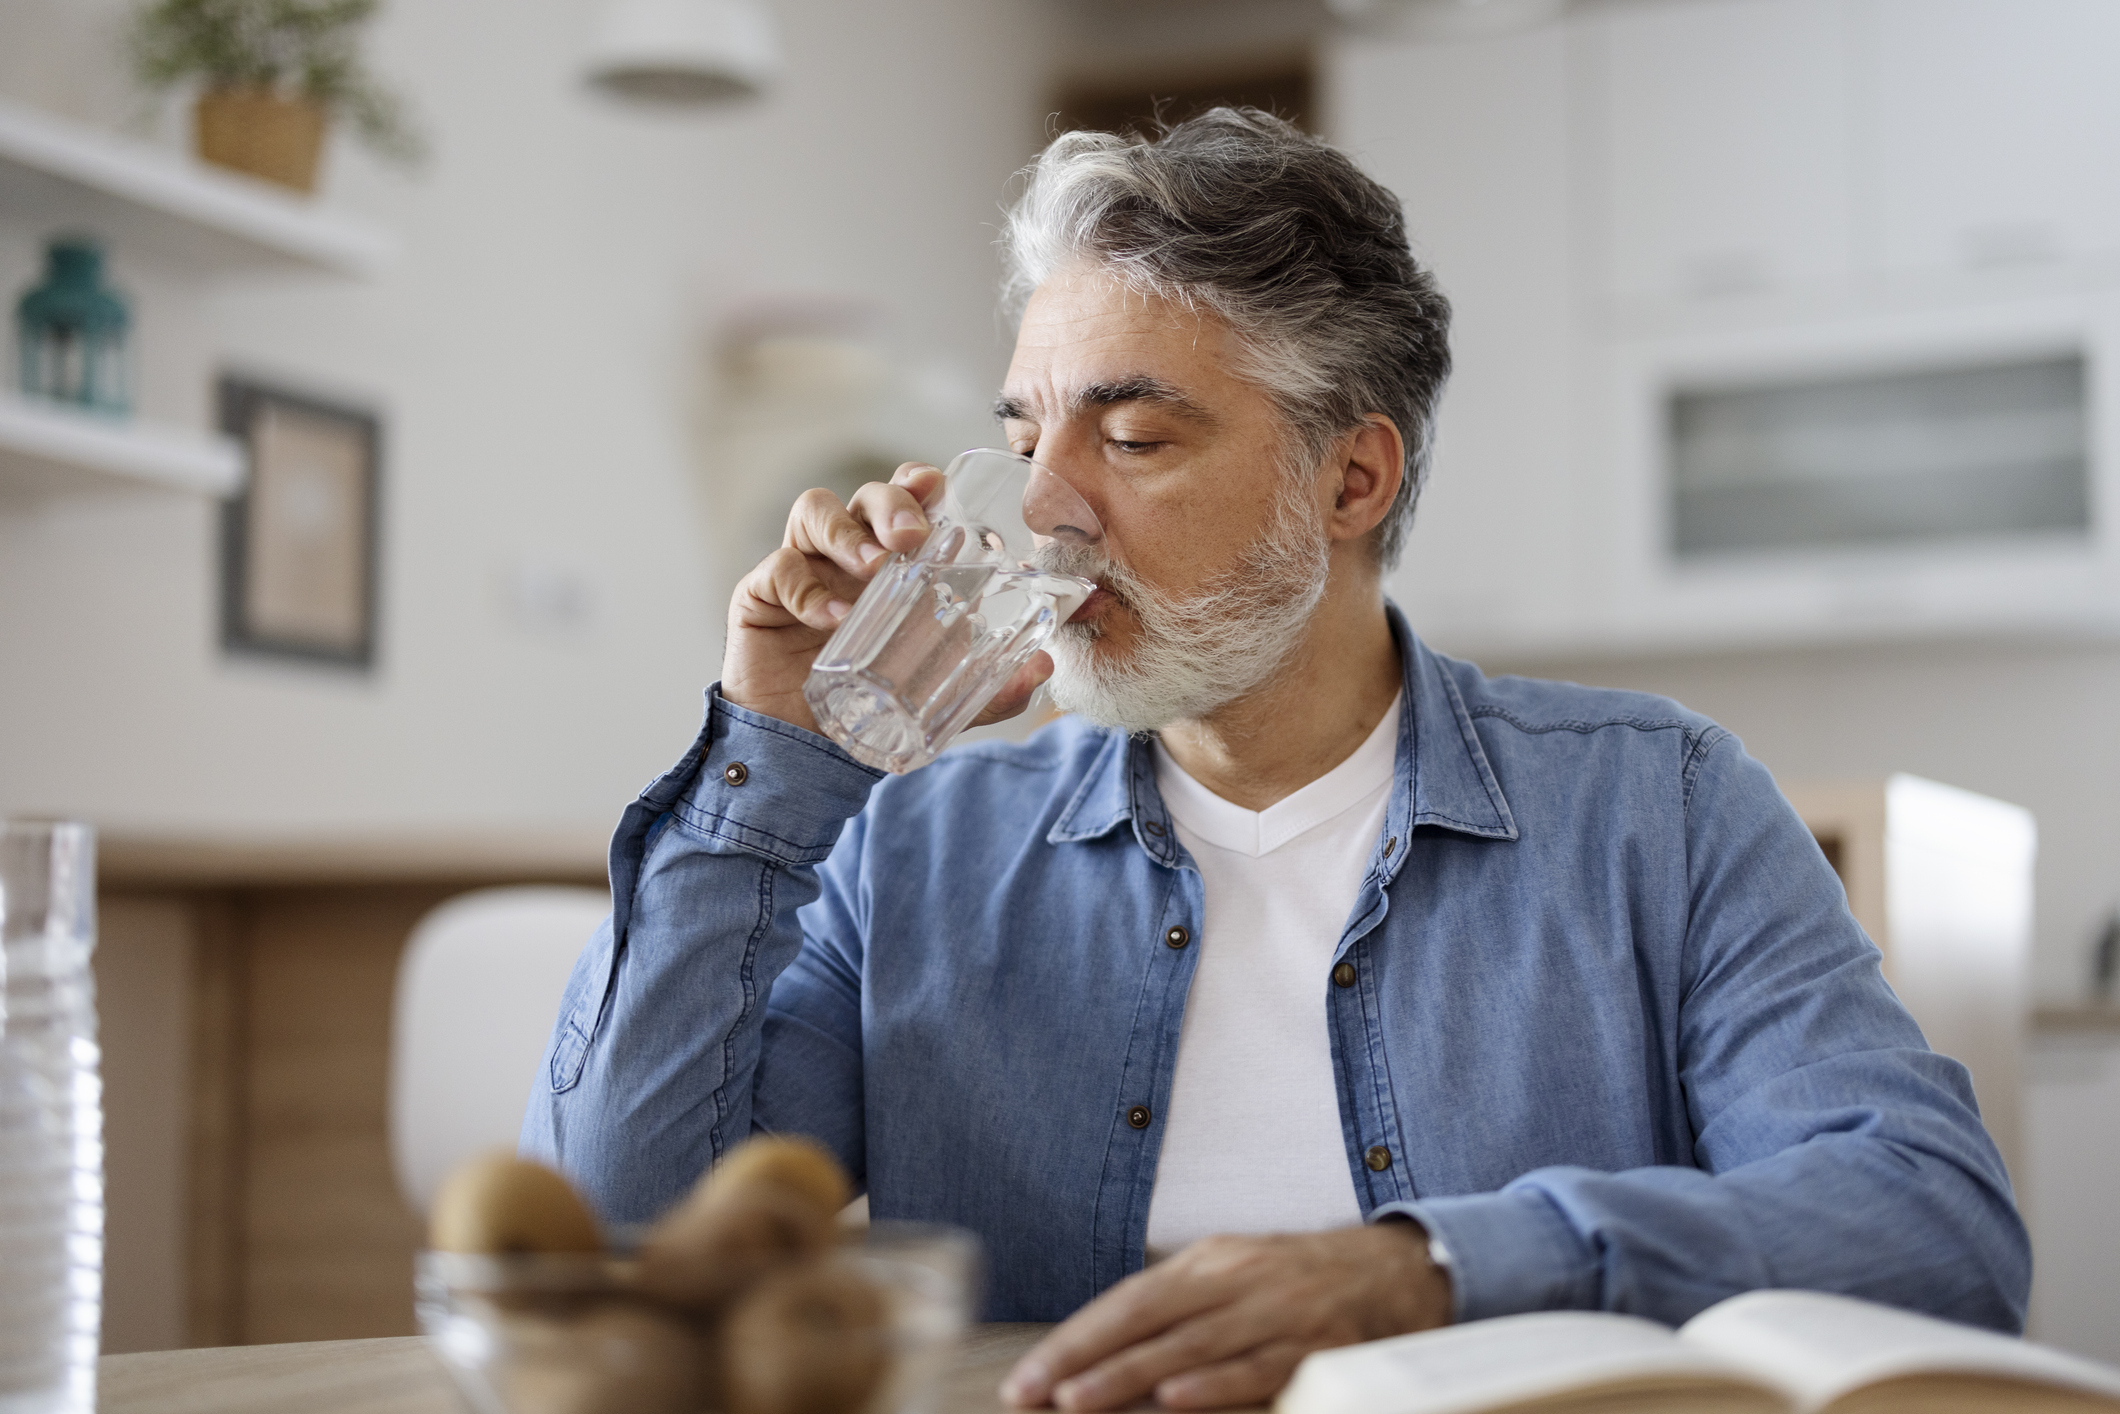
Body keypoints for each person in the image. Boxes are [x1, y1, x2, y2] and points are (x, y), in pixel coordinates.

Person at [522, 109, 2028, 1411]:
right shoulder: (915, 843)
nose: (1043, 509)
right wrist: (775, 749)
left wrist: (1431, 1273)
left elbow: (1931, 1225)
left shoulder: (1661, 809)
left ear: (1352, 475)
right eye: (1026, 433)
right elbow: (618, 1245)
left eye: (1134, 438)